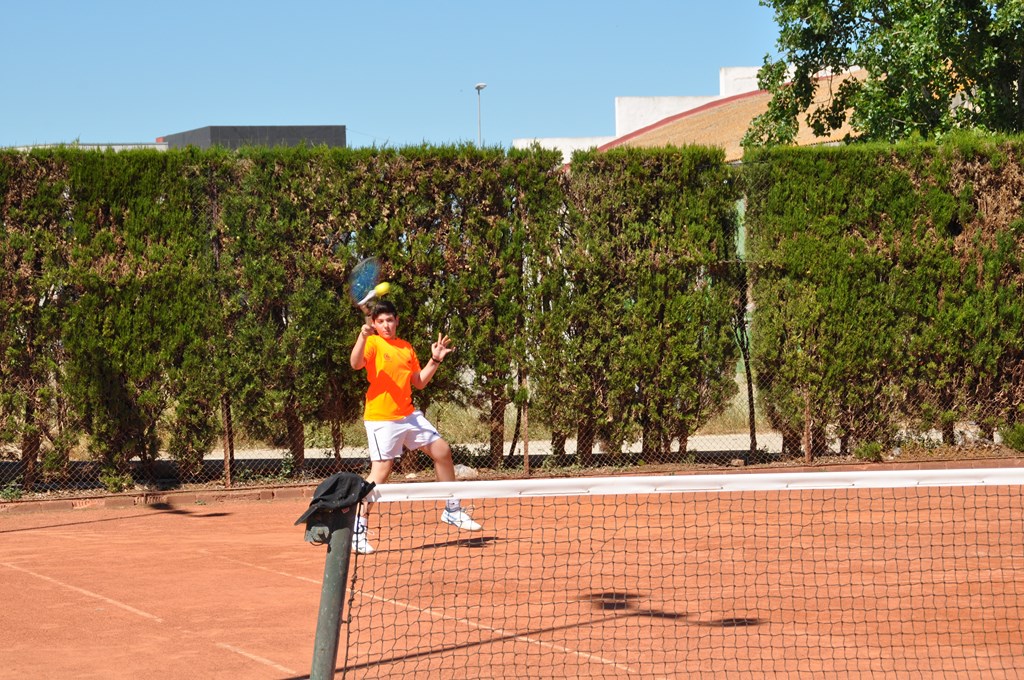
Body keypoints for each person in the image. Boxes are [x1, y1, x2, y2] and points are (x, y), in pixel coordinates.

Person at [348, 299, 481, 554]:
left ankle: (452, 509)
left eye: (390, 320)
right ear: (374, 324)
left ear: (396, 321)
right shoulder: (372, 343)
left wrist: (435, 360)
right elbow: (355, 363)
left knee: (442, 450)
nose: (386, 325)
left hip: (408, 415)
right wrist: (362, 336)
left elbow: (418, 382)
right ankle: (357, 529)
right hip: (381, 419)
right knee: (380, 473)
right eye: (380, 321)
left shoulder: (406, 347)